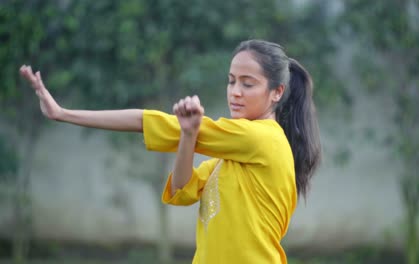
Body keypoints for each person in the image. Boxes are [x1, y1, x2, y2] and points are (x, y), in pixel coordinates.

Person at [19, 39, 321, 264]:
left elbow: (149, 122)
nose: (235, 92)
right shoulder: (228, 158)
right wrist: (188, 135)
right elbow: (181, 192)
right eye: (231, 82)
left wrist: (65, 113)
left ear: (277, 92)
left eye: (248, 84)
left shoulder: (260, 138)